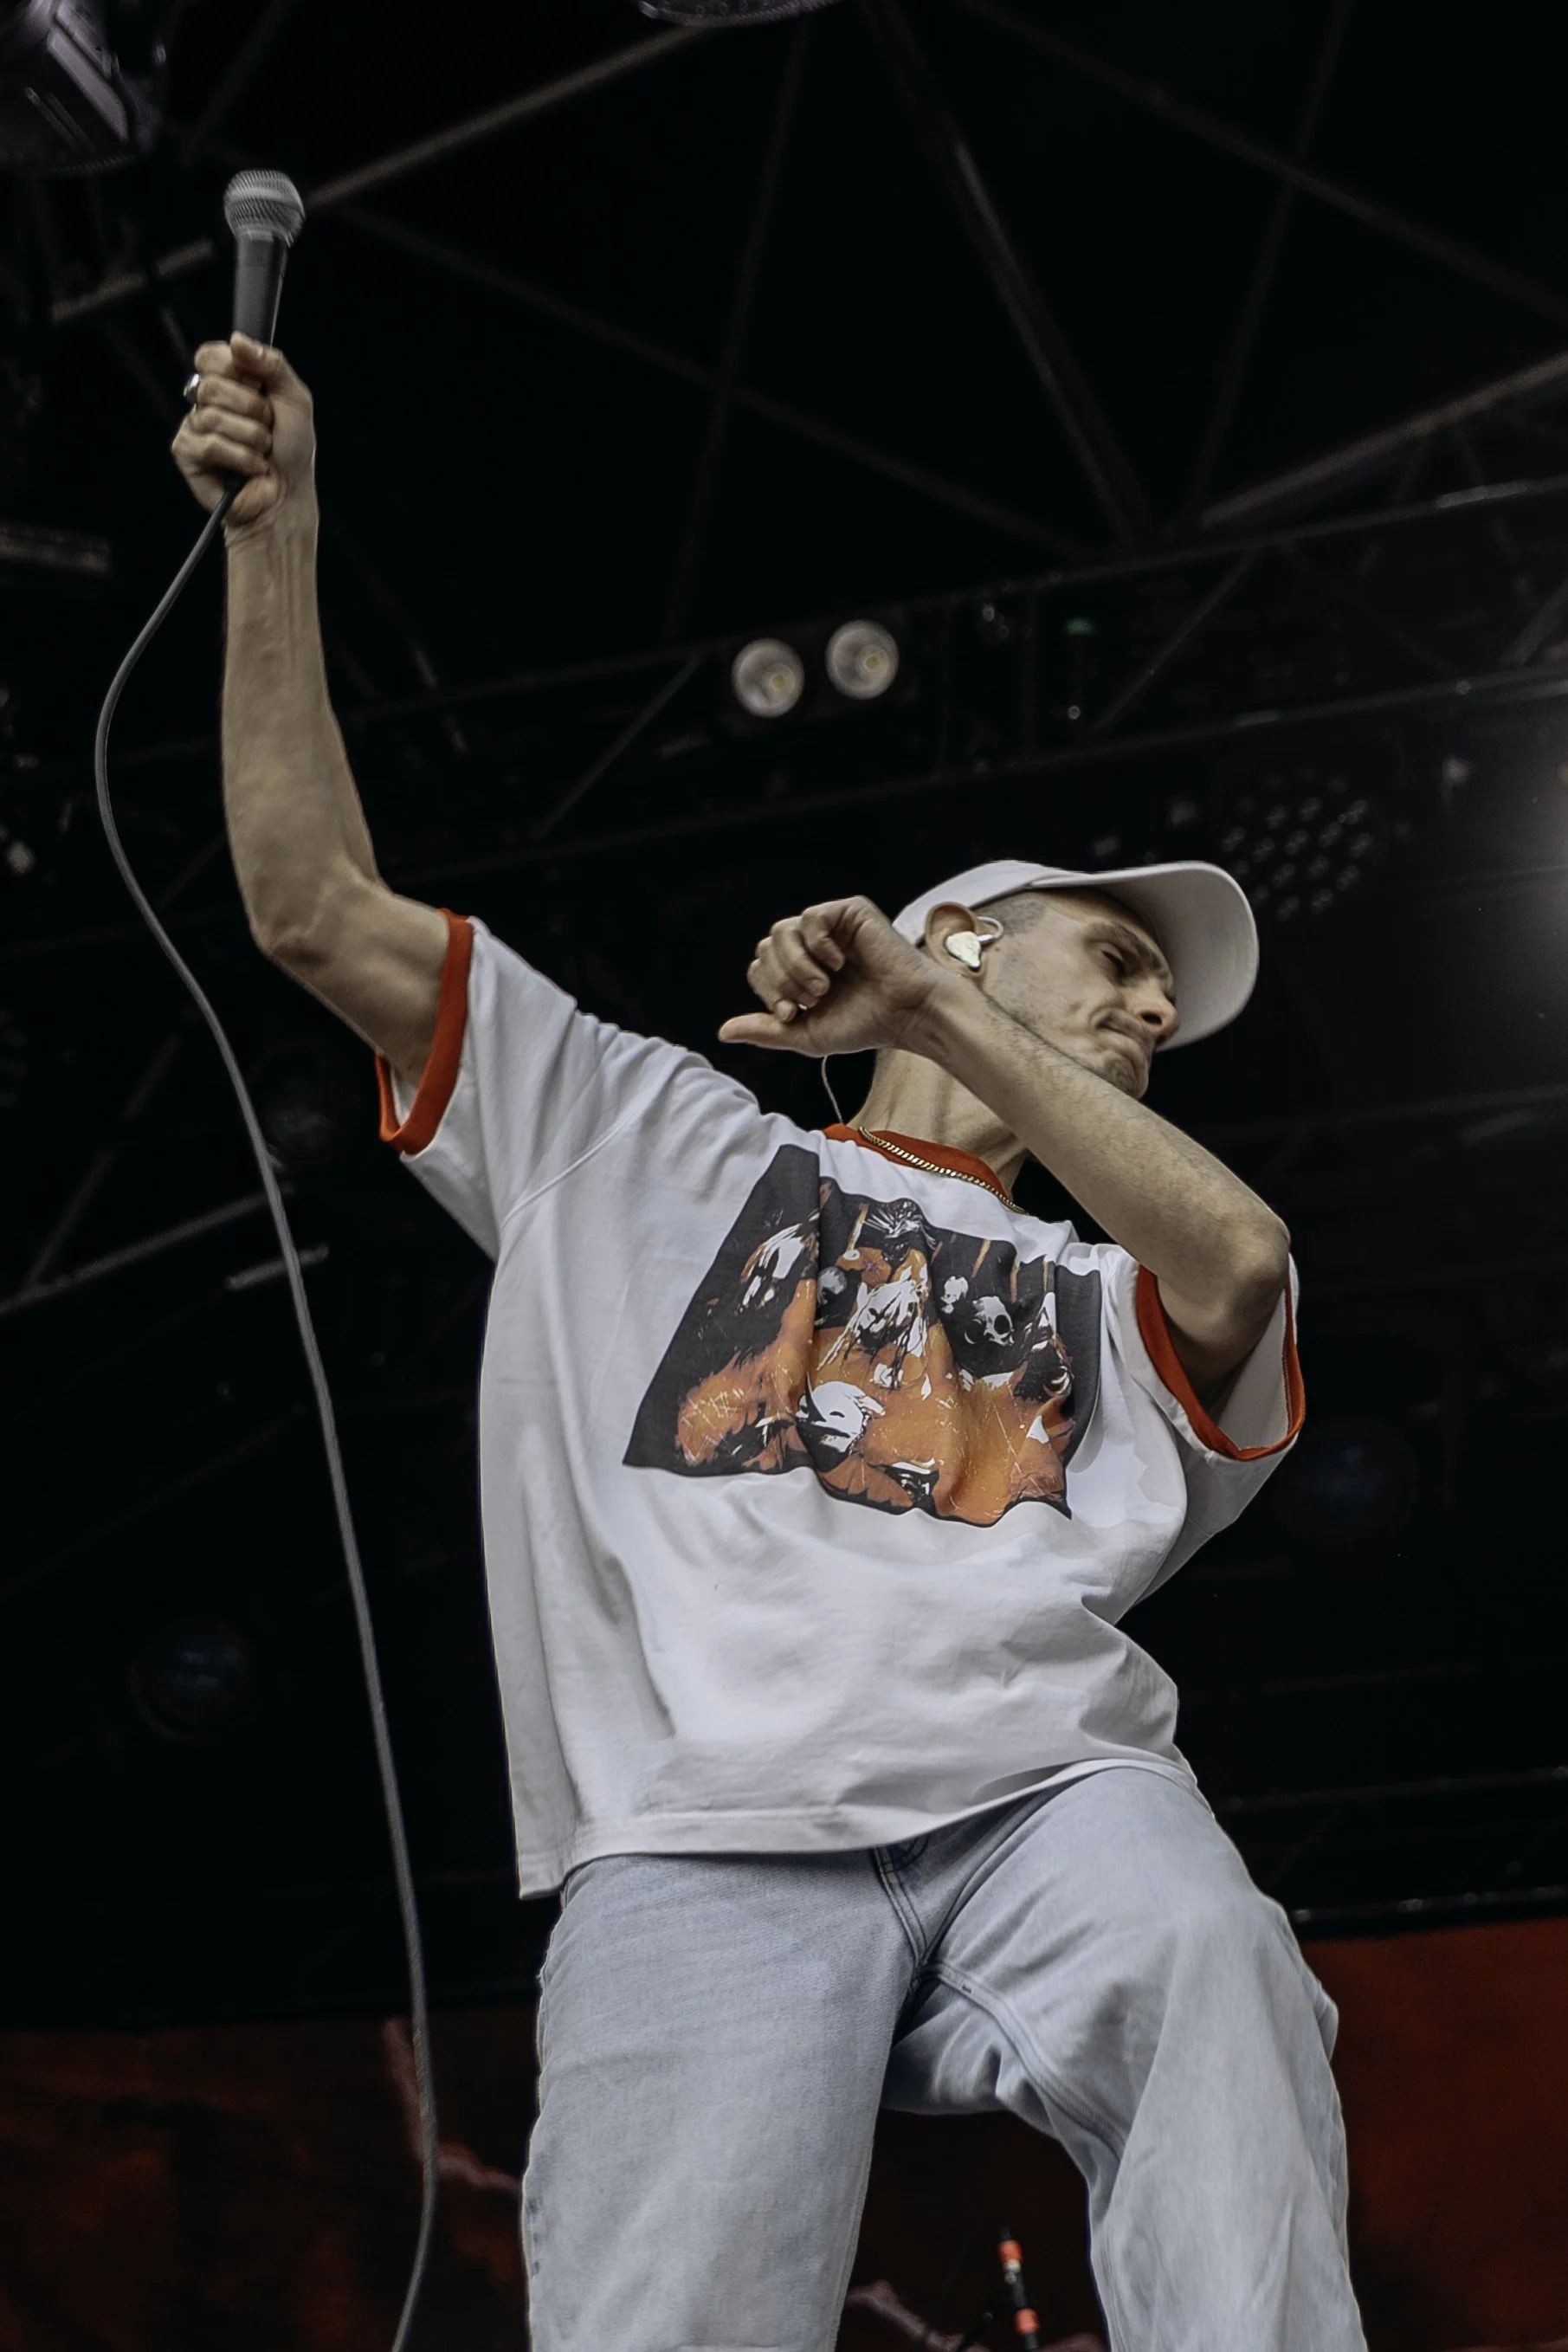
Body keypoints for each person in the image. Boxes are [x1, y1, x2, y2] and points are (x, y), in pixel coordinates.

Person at [173, 332, 1365, 2352]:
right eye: (1119, 959)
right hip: (700, 1828)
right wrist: (272, 539)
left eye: (1161, 994)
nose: (1152, 1009)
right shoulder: (638, 1126)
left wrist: (946, 1016)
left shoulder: (1102, 1291)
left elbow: (1241, 1254)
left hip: (1038, 1798)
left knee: (1208, 1962)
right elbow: (311, 906)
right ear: (964, 932)